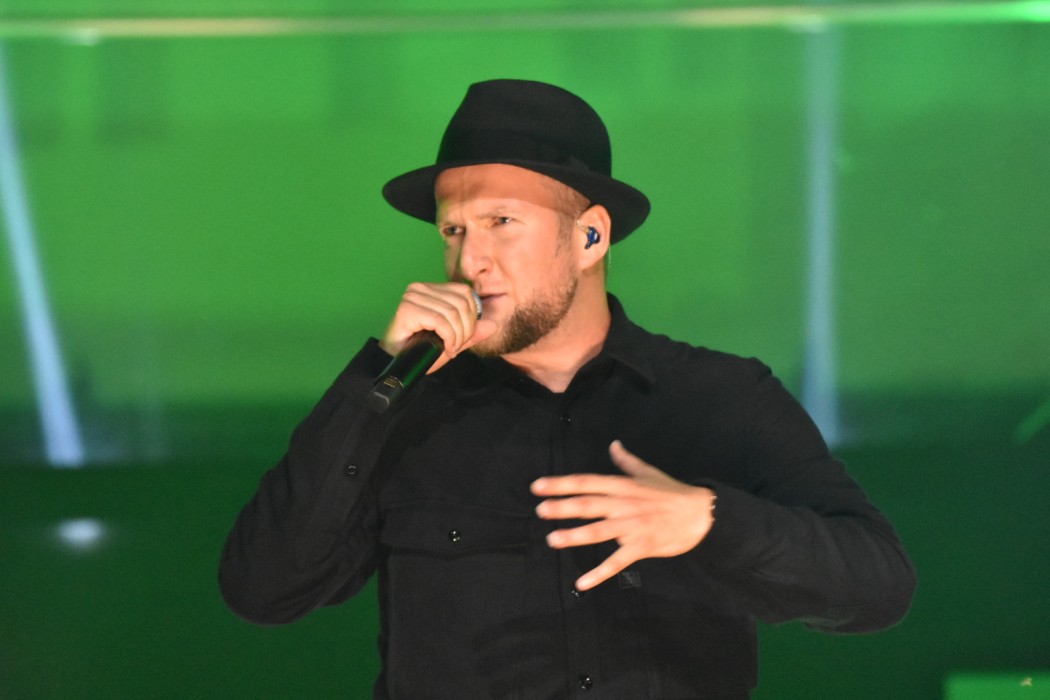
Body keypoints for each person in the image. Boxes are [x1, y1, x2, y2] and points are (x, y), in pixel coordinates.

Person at [219, 79, 916, 699]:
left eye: (501, 222)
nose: (469, 258)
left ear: (589, 237)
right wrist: (378, 377)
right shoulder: (408, 409)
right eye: (453, 229)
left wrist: (710, 522)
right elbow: (264, 589)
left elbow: (878, 586)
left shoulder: (718, 398)